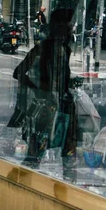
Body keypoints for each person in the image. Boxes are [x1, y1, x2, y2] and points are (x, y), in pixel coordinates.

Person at [10, 8, 76, 159]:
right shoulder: (42, 49)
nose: (69, 30)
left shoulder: (65, 50)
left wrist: (67, 86)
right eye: (66, 26)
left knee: (62, 147)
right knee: (37, 149)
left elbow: (63, 79)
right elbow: (18, 72)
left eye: (69, 26)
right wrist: (38, 89)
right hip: (42, 107)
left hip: (59, 106)